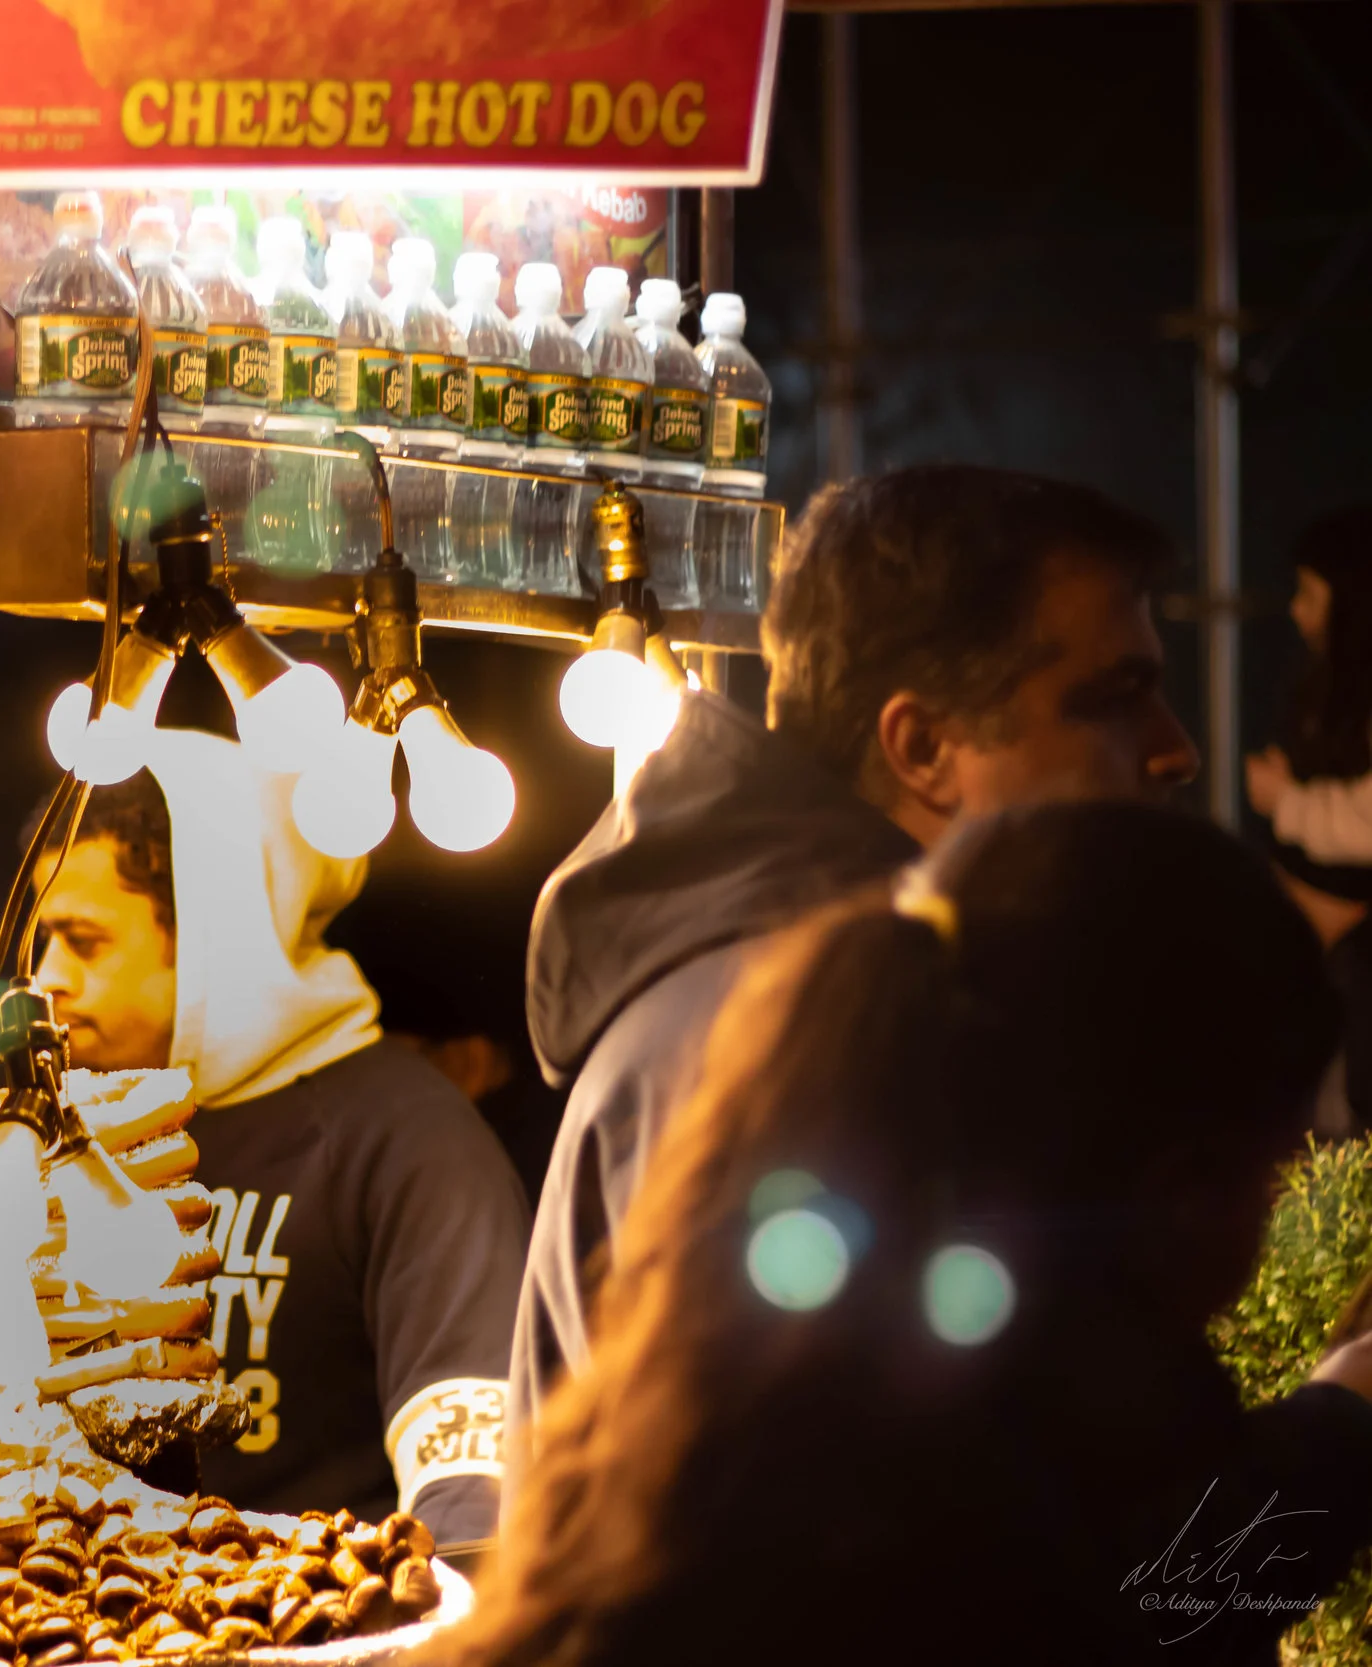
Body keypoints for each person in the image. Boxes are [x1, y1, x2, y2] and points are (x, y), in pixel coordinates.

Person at [453, 801, 1372, 1667]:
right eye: (1274, 1170)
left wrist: (1338, 1418)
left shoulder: (748, 1374)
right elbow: (1151, 1594)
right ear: (1188, 1189)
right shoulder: (996, 1474)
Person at [514, 465, 1202, 1442]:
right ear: (921, 747)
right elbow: (862, 1539)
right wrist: (1333, 1435)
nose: (1176, 749)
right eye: (1110, 699)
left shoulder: (821, 992)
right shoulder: (787, 1031)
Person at [31, 732, 530, 1547]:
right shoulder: (53, 1139)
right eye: (43, 939)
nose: (48, 975)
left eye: (84, 941)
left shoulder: (410, 1143)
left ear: (219, 934)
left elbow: (474, 1505)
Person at [1245, 506, 1372, 1133]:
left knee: (1349, 1110)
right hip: (1315, 941)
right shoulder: (1323, 680)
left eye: (1310, 594)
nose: (1296, 611)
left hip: (1354, 944)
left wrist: (1287, 801)